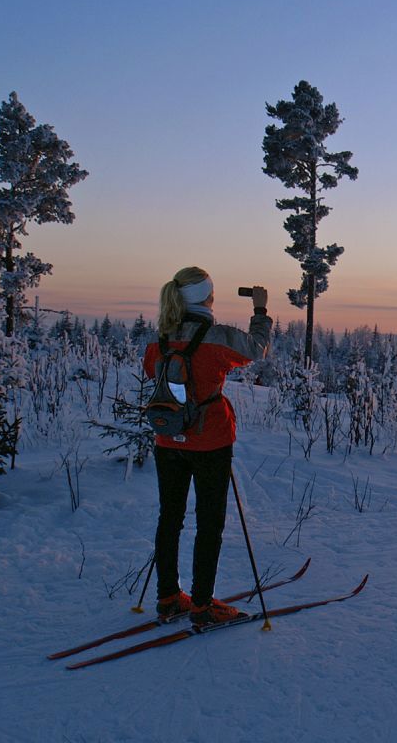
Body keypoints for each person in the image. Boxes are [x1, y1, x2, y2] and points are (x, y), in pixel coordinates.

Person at [143, 266, 272, 626]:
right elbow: (257, 349)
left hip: (167, 439)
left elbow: (151, 371)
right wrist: (260, 310)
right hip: (211, 440)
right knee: (209, 522)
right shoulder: (216, 338)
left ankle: (168, 597)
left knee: (170, 517)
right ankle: (202, 605)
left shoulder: (161, 339)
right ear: (206, 297)